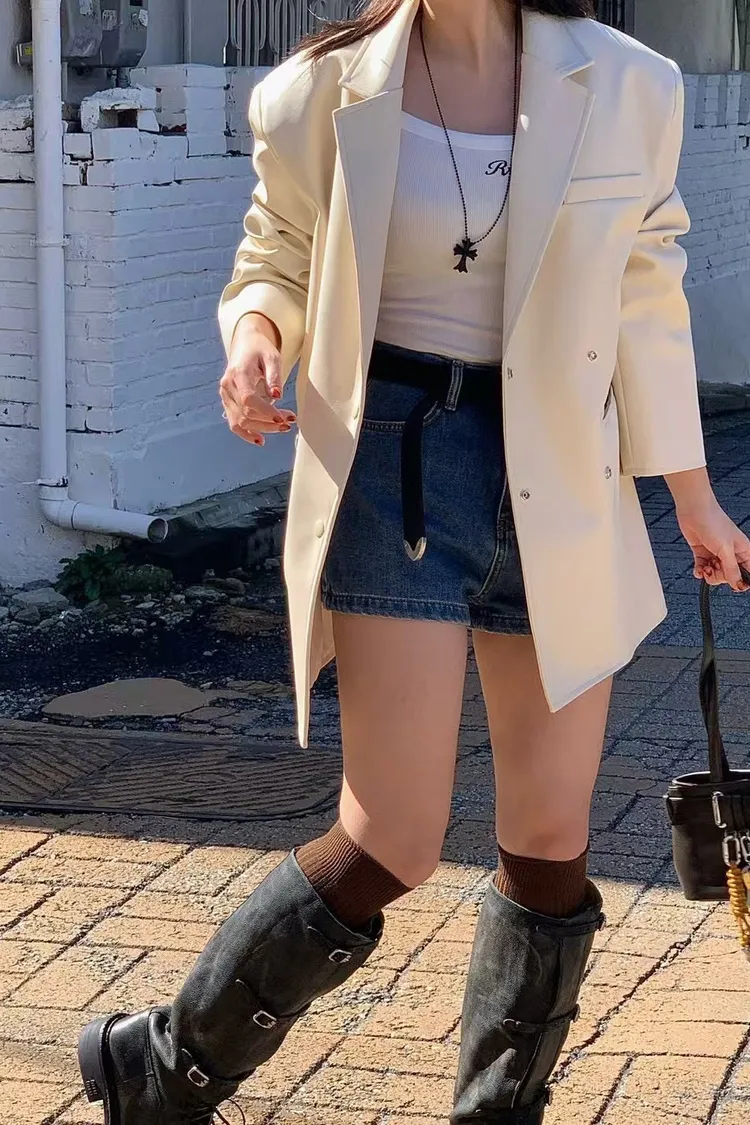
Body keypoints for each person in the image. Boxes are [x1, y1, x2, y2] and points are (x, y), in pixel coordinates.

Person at [77, 1, 750, 1122]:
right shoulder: (320, 89)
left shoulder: (631, 83)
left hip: (562, 471)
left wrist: (693, 495)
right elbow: (275, 253)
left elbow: (646, 290)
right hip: (395, 460)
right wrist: (256, 339)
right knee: (392, 834)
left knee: (550, 836)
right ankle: (169, 1064)